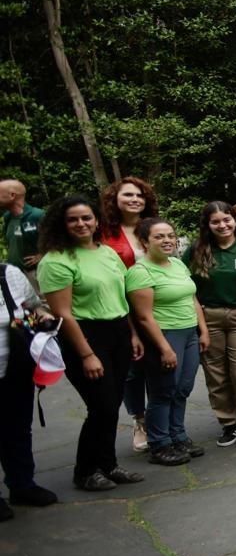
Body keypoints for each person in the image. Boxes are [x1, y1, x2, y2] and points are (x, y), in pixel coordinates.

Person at [38, 197, 143, 491]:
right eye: (73, 219)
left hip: (119, 331)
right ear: (62, 223)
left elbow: (121, 297)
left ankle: (108, 465)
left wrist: (132, 334)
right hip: (84, 336)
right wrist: (87, 354)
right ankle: (85, 471)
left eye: (86, 218)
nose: (81, 224)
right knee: (101, 406)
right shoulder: (56, 260)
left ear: (96, 220)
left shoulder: (107, 252)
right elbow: (63, 314)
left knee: (111, 405)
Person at [126, 218, 207, 466]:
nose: (167, 240)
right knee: (163, 391)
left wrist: (202, 330)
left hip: (189, 333)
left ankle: (178, 435)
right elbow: (143, 315)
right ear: (144, 242)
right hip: (164, 335)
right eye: (159, 237)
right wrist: (163, 347)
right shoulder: (140, 272)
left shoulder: (177, 265)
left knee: (182, 388)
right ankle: (159, 444)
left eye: (170, 235)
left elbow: (192, 299)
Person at [185, 202, 236, 446]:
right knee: (216, 375)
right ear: (207, 225)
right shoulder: (197, 249)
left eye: (227, 220)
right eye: (215, 221)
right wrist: (200, 325)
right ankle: (230, 424)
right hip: (208, 317)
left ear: (235, 220)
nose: (222, 225)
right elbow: (187, 287)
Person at [99, 176, 157, 452]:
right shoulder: (104, 233)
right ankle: (140, 420)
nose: (135, 200)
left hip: (158, 305)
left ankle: (163, 423)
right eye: (128, 195)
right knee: (132, 369)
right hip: (122, 308)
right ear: (115, 200)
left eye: (139, 195)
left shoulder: (153, 227)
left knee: (161, 364)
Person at [0, 259, 57, 514]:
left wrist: (44, 318)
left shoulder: (9, 274)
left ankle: (22, 485)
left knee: (18, 428)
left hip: (15, 365)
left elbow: (33, 306)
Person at [2, 179, 44, 276]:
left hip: (35, 274)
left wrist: (42, 256)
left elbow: (60, 241)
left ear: (12, 195)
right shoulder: (8, 217)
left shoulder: (38, 215)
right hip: (14, 274)